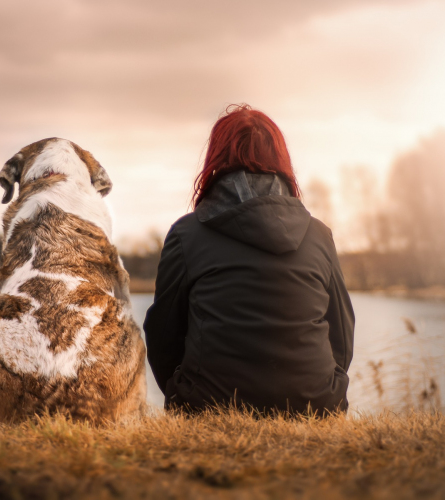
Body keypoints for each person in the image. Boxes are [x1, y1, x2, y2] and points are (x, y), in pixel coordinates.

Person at [143, 104, 354, 415]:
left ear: (216, 159)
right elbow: (342, 333)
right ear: (281, 160)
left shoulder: (186, 235)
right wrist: (326, 387)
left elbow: (162, 334)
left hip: (208, 405)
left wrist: (182, 392)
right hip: (315, 405)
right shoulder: (319, 235)